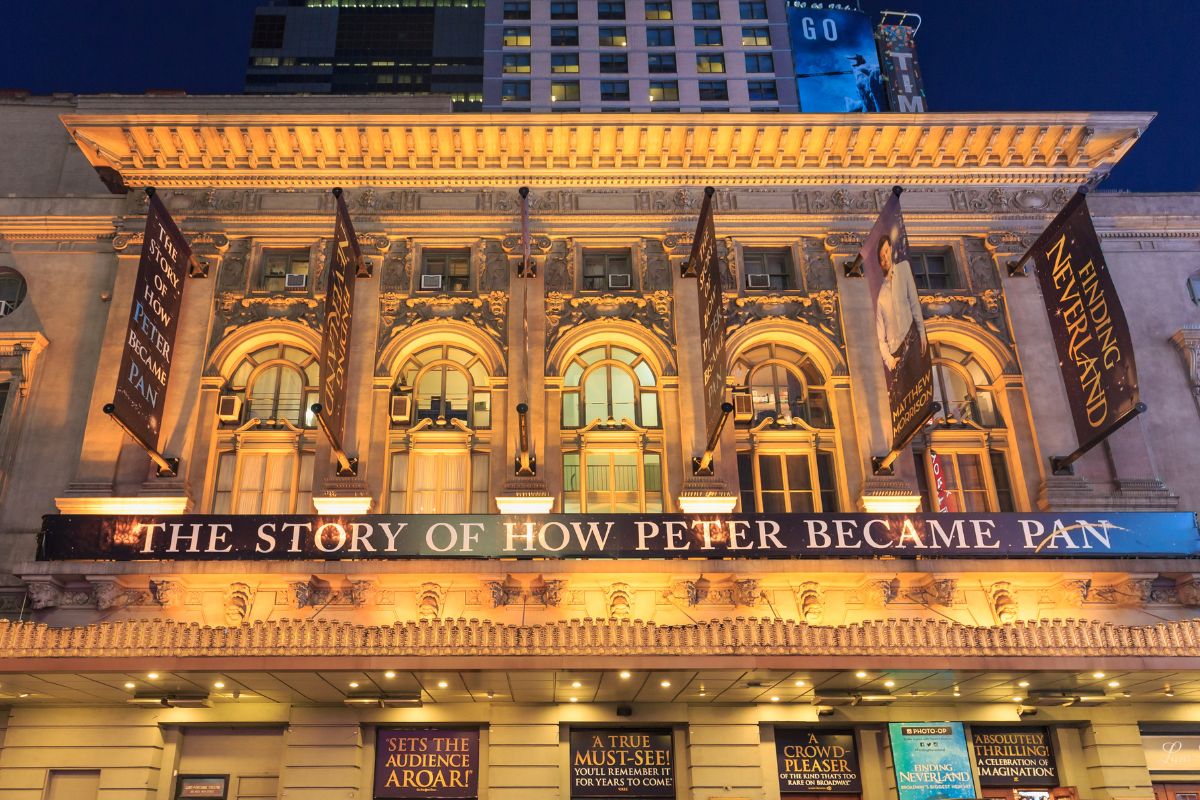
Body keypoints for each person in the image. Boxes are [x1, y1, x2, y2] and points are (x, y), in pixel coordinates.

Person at [875, 233, 927, 378]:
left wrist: (922, 332)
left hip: (912, 337)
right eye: (881, 257)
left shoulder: (904, 268)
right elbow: (880, 336)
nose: (885, 258)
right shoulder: (880, 295)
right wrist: (890, 360)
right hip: (896, 350)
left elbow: (914, 301)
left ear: (890, 249)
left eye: (886, 252)